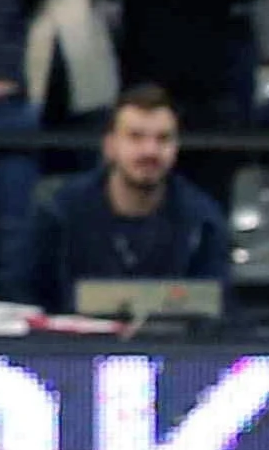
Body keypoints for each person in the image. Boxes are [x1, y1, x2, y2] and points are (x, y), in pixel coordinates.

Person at [19, 86, 224, 301]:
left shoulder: (202, 219)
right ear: (110, 145)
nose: (150, 151)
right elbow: (24, 296)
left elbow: (218, 307)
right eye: (136, 137)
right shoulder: (61, 211)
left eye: (163, 139)